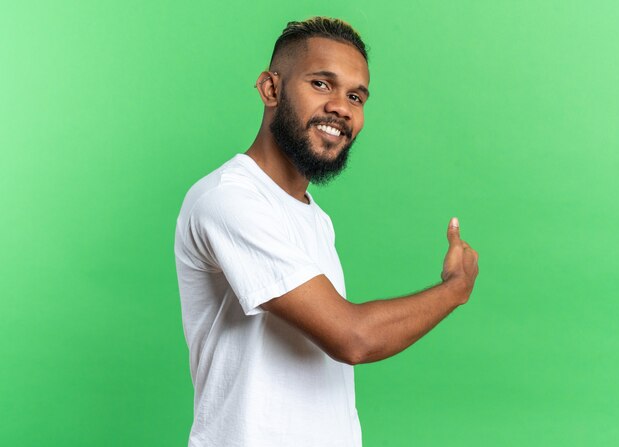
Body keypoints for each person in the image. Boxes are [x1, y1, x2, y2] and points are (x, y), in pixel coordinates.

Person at [174, 16, 479, 447]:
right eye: (321, 84)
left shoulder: (315, 217)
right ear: (271, 89)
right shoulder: (227, 200)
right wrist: (456, 288)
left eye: (356, 96)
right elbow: (352, 337)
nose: (341, 107)